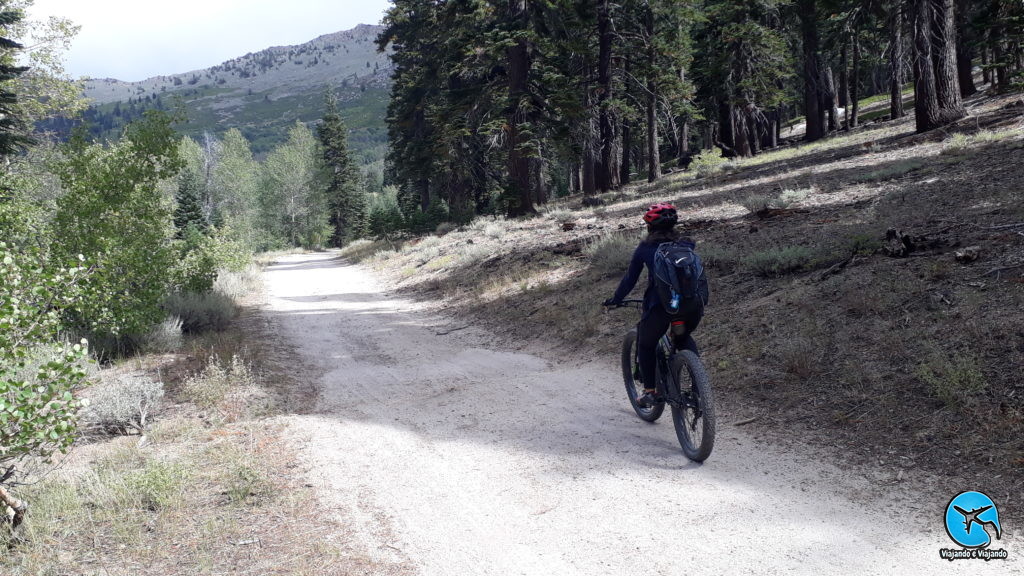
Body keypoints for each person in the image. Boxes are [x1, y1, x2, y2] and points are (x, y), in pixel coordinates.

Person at [603, 203, 703, 407]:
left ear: (649, 227)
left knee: (646, 344)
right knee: (683, 336)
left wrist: (615, 299)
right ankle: (699, 386)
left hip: (662, 307)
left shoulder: (645, 248)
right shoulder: (687, 244)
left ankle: (650, 392)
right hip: (691, 305)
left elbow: (629, 280)